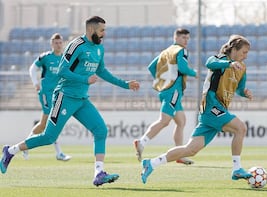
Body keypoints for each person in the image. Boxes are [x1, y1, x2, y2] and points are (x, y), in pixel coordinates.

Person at [0, 16, 140, 186]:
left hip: (81, 99)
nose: (104, 34)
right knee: (49, 137)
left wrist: (125, 84)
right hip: (64, 96)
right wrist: (85, 79)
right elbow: (61, 71)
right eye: (102, 30)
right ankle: (11, 150)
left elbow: (102, 71)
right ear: (91, 30)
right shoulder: (76, 45)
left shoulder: (99, 48)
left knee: (101, 130)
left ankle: (99, 173)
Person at [140, 35, 253, 184]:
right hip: (211, 106)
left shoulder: (242, 68)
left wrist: (243, 93)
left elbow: (238, 88)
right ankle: (237, 168)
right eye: (244, 52)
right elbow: (209, 63)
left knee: (190, 150)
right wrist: (230, 64)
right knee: (241, 128)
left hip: (218, 110)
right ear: (234, 49)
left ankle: (152, 163)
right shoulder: (221, 60)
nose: (246, 56)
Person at [133, 28, 198, 165]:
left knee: (181, 121)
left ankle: (179, 155)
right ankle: (142, 142)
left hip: (167, 90)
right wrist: (194, 73)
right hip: (173, 91)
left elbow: (151, 67)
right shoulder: (181, 51)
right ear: (176, 38)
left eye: (187, 38)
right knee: (164, 121)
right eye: (183, 38)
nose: (186, 41)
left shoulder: (166, 52)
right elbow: (183, 68)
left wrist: (163, 81)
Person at [24, 33, 71, 161]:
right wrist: (35, 83)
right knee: (53, 120)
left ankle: (26, 144)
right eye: (56, 42)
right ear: (52, 44)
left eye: (60, 42)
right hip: (46, 93)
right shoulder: (45, 57)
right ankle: (59, 153)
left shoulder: (64, 59)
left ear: (63, 43)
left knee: (43, 124)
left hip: (58, 94)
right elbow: (33, 68)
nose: (58, 45)